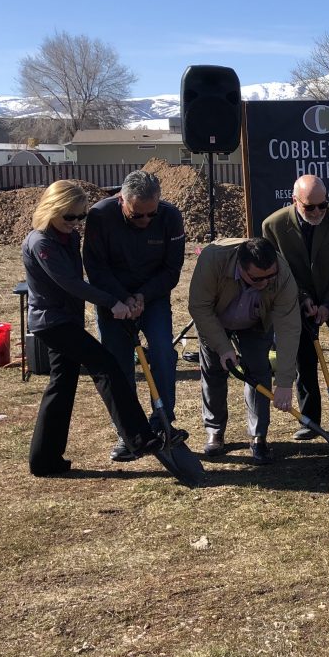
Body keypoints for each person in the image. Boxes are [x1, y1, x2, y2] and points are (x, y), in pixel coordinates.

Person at [22, 180, 165, 477]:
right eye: (69, 217)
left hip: (67, 320)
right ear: (52, 210)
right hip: (52, 323)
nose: (75, 224)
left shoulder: (68, 238)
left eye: (80, 217)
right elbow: (70, 283)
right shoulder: (41, 242)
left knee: (62, 387)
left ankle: (45, 460)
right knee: (106, 366)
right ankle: (139, 438)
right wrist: (112, 302)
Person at [83, 169, 186, 461]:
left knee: (164, 353)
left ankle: (163, 423)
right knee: (118, 363)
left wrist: (142, 295)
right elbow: (95, 267)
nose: (145, 221)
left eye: (151, 215)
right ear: (122, 201)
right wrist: (122, 298)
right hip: (113, 300)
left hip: (152, 297)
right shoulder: (100, 216)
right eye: (137, 215)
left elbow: (171, 269)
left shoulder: (170, 217)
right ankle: (129, 432)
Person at [261, 175, 329, 441]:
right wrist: (303, 298)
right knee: (303, 354)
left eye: (322, 205)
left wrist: (328, 304)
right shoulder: (273, 225)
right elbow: (279, 271)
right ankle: (310, 417)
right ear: (295, 201)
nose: (317, 212)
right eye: (310, 207)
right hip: (296, 297)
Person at [188, 237, 300, 464]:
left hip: (257, 322)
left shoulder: (282, 273)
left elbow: (288, 326)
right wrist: (223, 347)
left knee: (259, 371)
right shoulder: (212, 259)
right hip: (216, 320)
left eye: (271, 276)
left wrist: (285, 381)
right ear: (240, 266)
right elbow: (199, 307)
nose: (266, 282)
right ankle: (214, 430)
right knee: (214, 372)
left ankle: (258, 436)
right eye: (258, 278)